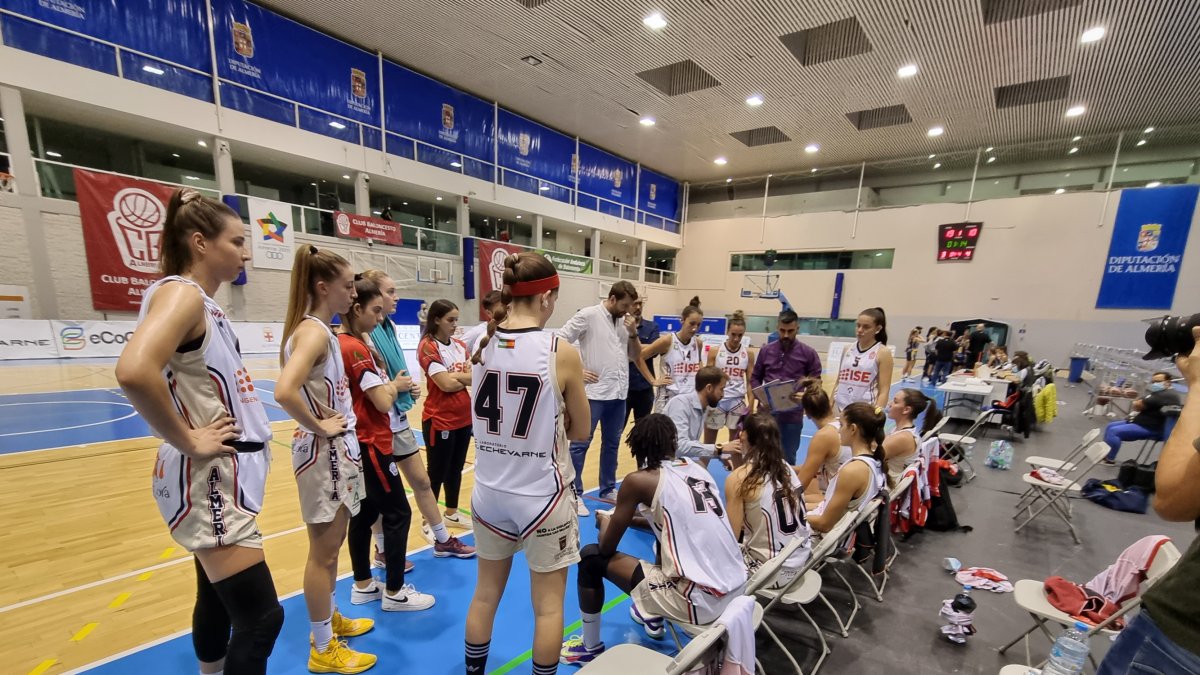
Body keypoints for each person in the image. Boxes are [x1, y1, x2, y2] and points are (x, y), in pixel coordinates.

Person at [115, 190, 283, 675]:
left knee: (214, 599)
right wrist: (187, 439)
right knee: (262, 618)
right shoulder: (182, 293)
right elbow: (133, 370)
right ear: (200, 243)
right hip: (209, 474)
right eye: (237, 241)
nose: (246, 252)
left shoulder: (198, 301)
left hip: (217, 473)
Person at [464, 252, 591, 675]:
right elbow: (581, 431)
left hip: (488, 493)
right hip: (542, 496)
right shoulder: (560, 349)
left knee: (484, 596)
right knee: (549, 610)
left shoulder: (477, 342)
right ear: (547, 297)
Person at [560, 414, 747, 665]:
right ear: (673, 441)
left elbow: (607, 547)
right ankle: (651, 612)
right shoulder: (697, 470)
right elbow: (672, 524)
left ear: (637, 447)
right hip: (738, 589)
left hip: (703, 603)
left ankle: (589, 646)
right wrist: (626, 520)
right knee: (663, 540)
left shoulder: (639, 480)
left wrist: (607, 522)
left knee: (591, 558)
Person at [275, 245, 376, 672]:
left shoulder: (319, 329)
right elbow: (284, 390)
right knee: (323, 553)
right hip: (325, 454)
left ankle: (329, 619)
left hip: (335, 453)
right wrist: (320, 426)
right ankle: (321, 646)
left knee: (331, 551)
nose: (354, 292)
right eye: (348, 284)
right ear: (323, 287)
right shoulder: (314, 332)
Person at [1097, 327, 1200, 675]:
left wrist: (1199, 387)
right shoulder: (1165, 396)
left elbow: (1171, 501)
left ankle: (1110, 456)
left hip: (1183, 637)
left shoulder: (1159, 397)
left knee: (1113, 432)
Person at [360, 270, 475, 563]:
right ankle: (382, 549)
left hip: (398, 417)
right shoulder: (362, 333)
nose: (396, 297)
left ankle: (443, 539)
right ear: (373, 296)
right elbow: (448, 382)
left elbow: (393, 368)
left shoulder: (389, 327)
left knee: (422, 482)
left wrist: (404, 387)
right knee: (381, 498)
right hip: (377, 423)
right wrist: (394, 386)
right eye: (390, 291)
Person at [337, 277, 437, 613]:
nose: (380, 318)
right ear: (356, 308)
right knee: (398, 512)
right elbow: (380, 401)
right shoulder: (354, 347)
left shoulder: (350, 342)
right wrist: (394, 385)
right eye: (375, 310)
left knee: (364, 514)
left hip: (364, 440)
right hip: (371, 442)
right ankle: (394, 591)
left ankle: (363, 584)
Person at [558, 281, 655, 511]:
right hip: (594, 393)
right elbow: (560, 340)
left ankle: (608, 488)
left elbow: (635, 356)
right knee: (580, 444)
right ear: (612, 299)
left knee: (612, 444)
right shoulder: (588, 315)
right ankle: (574, 492)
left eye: (631, 306)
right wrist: (577, 370)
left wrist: (632, 334)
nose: (628, 310)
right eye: (625, 305)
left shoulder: (626, 323)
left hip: (619, 393)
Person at [724, 412, 812, 589]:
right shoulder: (785, 467)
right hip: (801, 559)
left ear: (744, 436)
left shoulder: (739, 479)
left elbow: (730, 538)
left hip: (770, 571)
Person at [417, 299, 474, 529]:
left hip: (464, 418)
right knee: (437, 472)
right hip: (440, 419)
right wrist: (462, 379)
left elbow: (475, 378)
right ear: (437, 319)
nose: (454, 324)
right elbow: (445, 385)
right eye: (450, 320)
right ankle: (429, 521)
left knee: (455, 469)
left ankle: (451, 513)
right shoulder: (428, 346)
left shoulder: (460, 345)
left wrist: (456, 378)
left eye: (456, 320)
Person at [751, 309, 822, 464]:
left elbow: (817, 384)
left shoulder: (809, 353)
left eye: (790, 331)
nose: (786, 335)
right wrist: (760, 396)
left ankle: (785, 488)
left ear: (797, 328)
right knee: (760, 456)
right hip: (766, 415)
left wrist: (805, 396)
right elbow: (755, 378)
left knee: (788, 459)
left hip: (792, 417)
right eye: (782, 330)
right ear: (777, 327)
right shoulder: (765, 351)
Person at [806, 402, 887, 531]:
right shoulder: (875, 461)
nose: (838, 430)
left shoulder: (852, 471)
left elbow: (824, 524)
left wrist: (799, 517)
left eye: (842, 425)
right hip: (847, 531)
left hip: (828, 539)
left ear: (853, 429)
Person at [1101, 371, 1182, 464]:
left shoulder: (1168, 395)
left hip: (1151, 428)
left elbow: (1138, 405)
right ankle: (1104, 454)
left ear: (1168, 382)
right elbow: (1138, 403)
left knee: (1114, 431)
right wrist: (1139, 403)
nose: (1155, 384)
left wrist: (1139, 403)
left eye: (1158, 381)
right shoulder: (1158, 392)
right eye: (1153, 381)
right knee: (1110, 426)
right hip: (1140, 422)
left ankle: (1109, 459)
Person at [641, 297, 705, 413]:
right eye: (691, 323)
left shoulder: (698, 343)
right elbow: (640, 357)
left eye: (698, 325)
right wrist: (653, 381)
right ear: (682, 320)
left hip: (690, 397)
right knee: (664, 431)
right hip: (668, 398)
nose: (695, 328)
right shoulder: (667, 341)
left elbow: (698, 366)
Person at [663, 365, 741, 462]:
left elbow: (690, 445)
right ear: (709, 388)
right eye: (721, 389)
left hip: (678, 461)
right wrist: (720, 449)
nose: (723, 395)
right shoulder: (680, 404)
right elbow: (680, 447)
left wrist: (720, 455)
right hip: (664, 465)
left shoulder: (703, 408)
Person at [793, 378, 851, 495]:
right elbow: (808, 467)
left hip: (834, 497)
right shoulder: (841, 423)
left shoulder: (823, 436)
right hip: (846, 491)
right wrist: (784, 468)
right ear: (829, 405)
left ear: (807, 414)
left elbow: (800, 485)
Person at [704, 310, 755, 444]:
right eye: (733, 334)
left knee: (737, 445)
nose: (736, 338)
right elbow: (707, 378)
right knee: (708, 444)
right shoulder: (715, 351)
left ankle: (734, 465)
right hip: (717, 401)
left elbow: (750, 380)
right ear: (727, 331)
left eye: (740, 335)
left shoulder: (748, 353)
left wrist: (751, 402)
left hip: (737, 401)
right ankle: (703, 465)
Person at [833, 307, 893, 411]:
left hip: (864, 412)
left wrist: (877, 413)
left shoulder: (883, 352)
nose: (860, 330)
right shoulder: (847, 349)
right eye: (858, 325)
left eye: (866, 327)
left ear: (878, 329)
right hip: (839, 408)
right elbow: (839, 381)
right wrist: (830, 404)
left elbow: (884, 389)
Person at [881, 389, 942, 484]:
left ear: (906, 410)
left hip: (888, 485)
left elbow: (872, 458)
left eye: (895, 401)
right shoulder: (902, 430)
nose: (889, 404)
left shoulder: (902, 437)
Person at [625, 297, 660, 426]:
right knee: (617, 430)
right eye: (634, 304)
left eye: (640, 304)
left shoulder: (652, 327)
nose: (638, 307)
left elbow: (654, 350)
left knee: (643, 431)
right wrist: (644, 348)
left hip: (645, 389)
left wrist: (630, 351)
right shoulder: (620, 327)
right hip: (624, 389)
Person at [461, 290, 503, 354]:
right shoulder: (477, 332)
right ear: (489, 313)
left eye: (508, 308)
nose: (507, 313)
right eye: (501, 310)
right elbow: (457, 353)